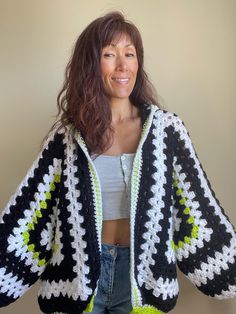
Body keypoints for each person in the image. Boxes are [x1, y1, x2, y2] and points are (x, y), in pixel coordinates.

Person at [0, 11, 235, 314]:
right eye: (109, 54)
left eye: (130, 54)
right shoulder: (67, 138)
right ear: (91, 64)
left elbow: (195, 210)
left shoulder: (167, 130)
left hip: (142, 283)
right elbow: (31, 216)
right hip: (79, 284)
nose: (123, 65)